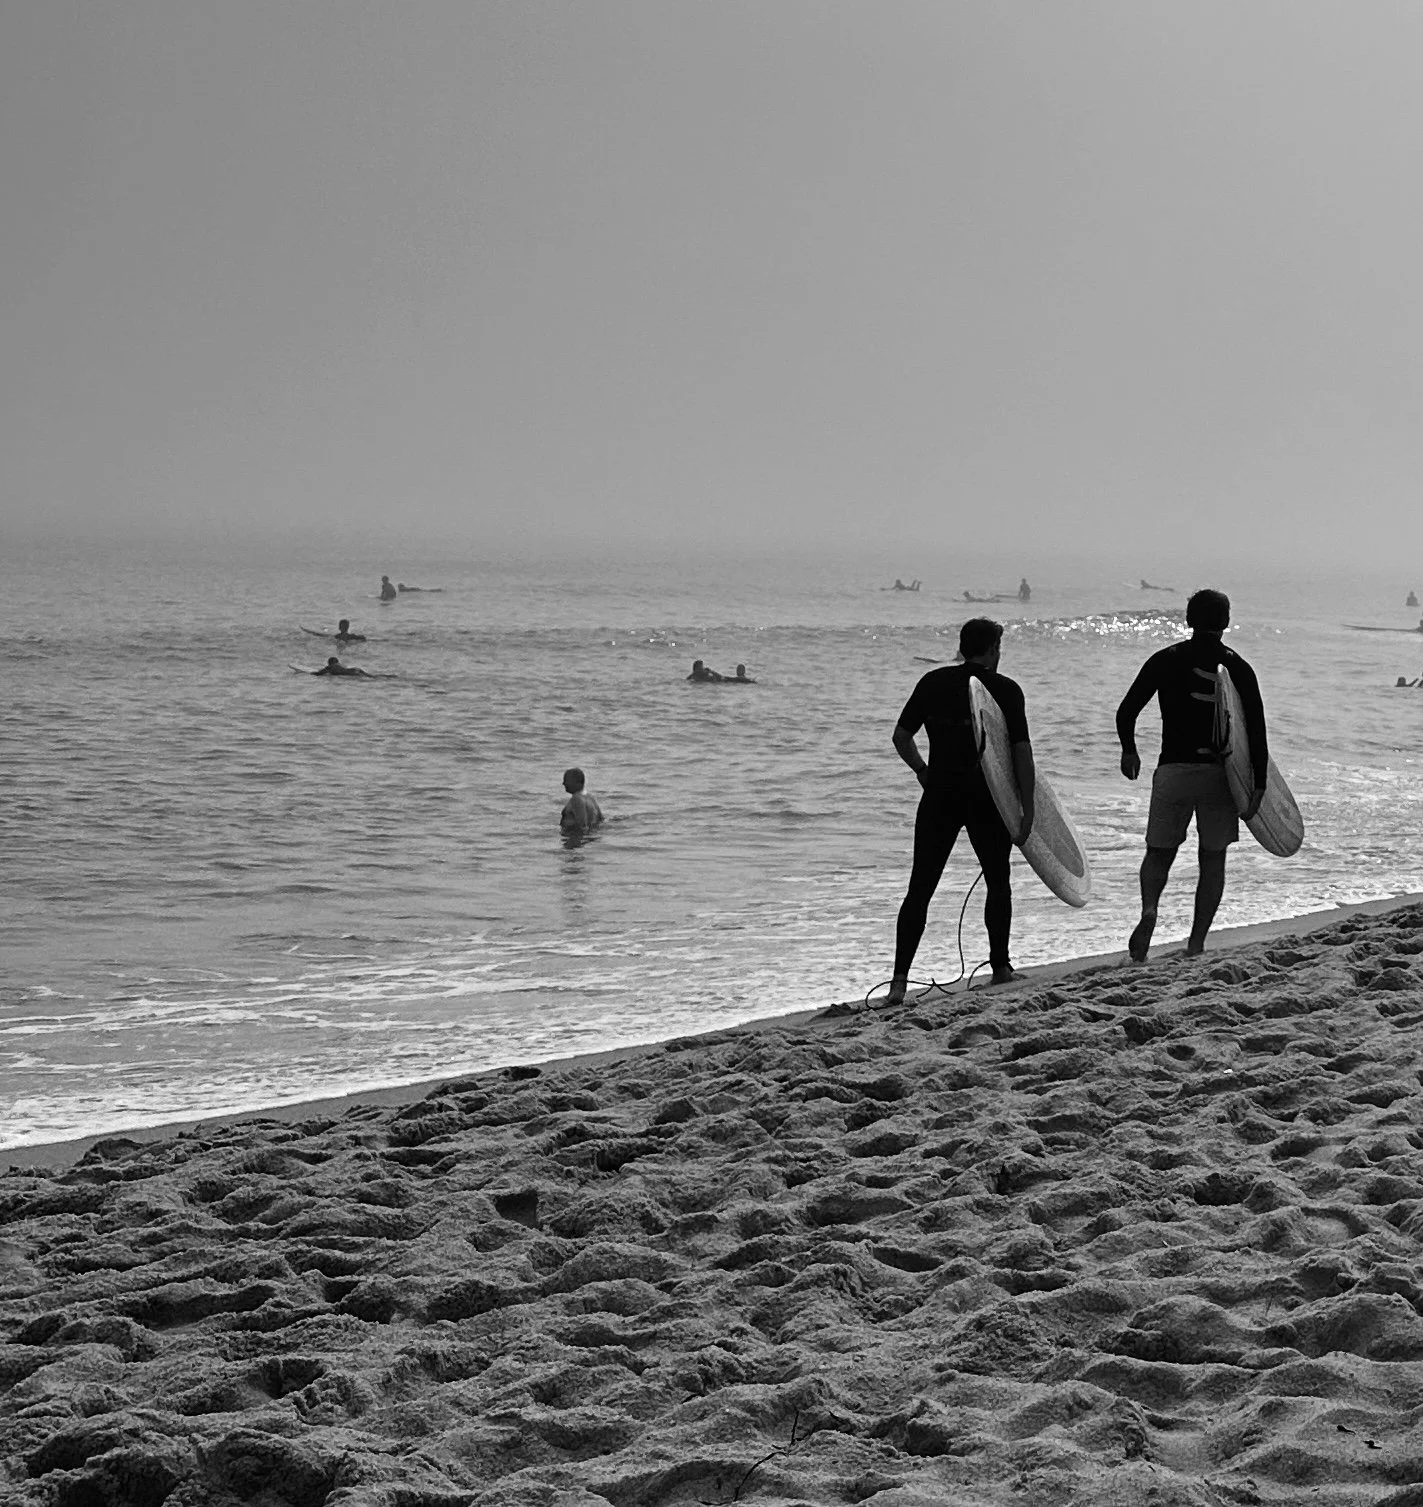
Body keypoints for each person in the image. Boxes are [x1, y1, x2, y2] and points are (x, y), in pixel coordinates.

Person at [886, 618, 1035, 1003]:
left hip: (940, 795)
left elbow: (901, 737)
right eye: (999, 648)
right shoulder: (1004, 689)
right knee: (997, 879)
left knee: (920, 887)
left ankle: (899, 983)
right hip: (987, 798)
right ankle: (1000, 968)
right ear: (992, 650)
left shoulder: (931, 682)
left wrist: (922, 770)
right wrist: (1028, 805)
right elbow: (1020, 751)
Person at [1116, 588, 1267, 962]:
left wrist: (1129, 749)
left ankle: (1150, 909)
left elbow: (1126, 710)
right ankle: (1196, 942)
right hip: (1219, 774)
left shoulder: (1164, 659)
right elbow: (1257, 731)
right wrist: (1259, 783)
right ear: (1226, 622)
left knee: (1158, 853)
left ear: (1188, 619)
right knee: (1212, 859)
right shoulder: (1238, 666)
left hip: (1173, 770)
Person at [560, 768, 604, 832]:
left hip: (574, 839)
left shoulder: (576, 799)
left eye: (566, 780)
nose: (563, 783)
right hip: (589, 837)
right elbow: (601, 820)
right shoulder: (591, 798)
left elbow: (582, 826)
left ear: (575, 782)